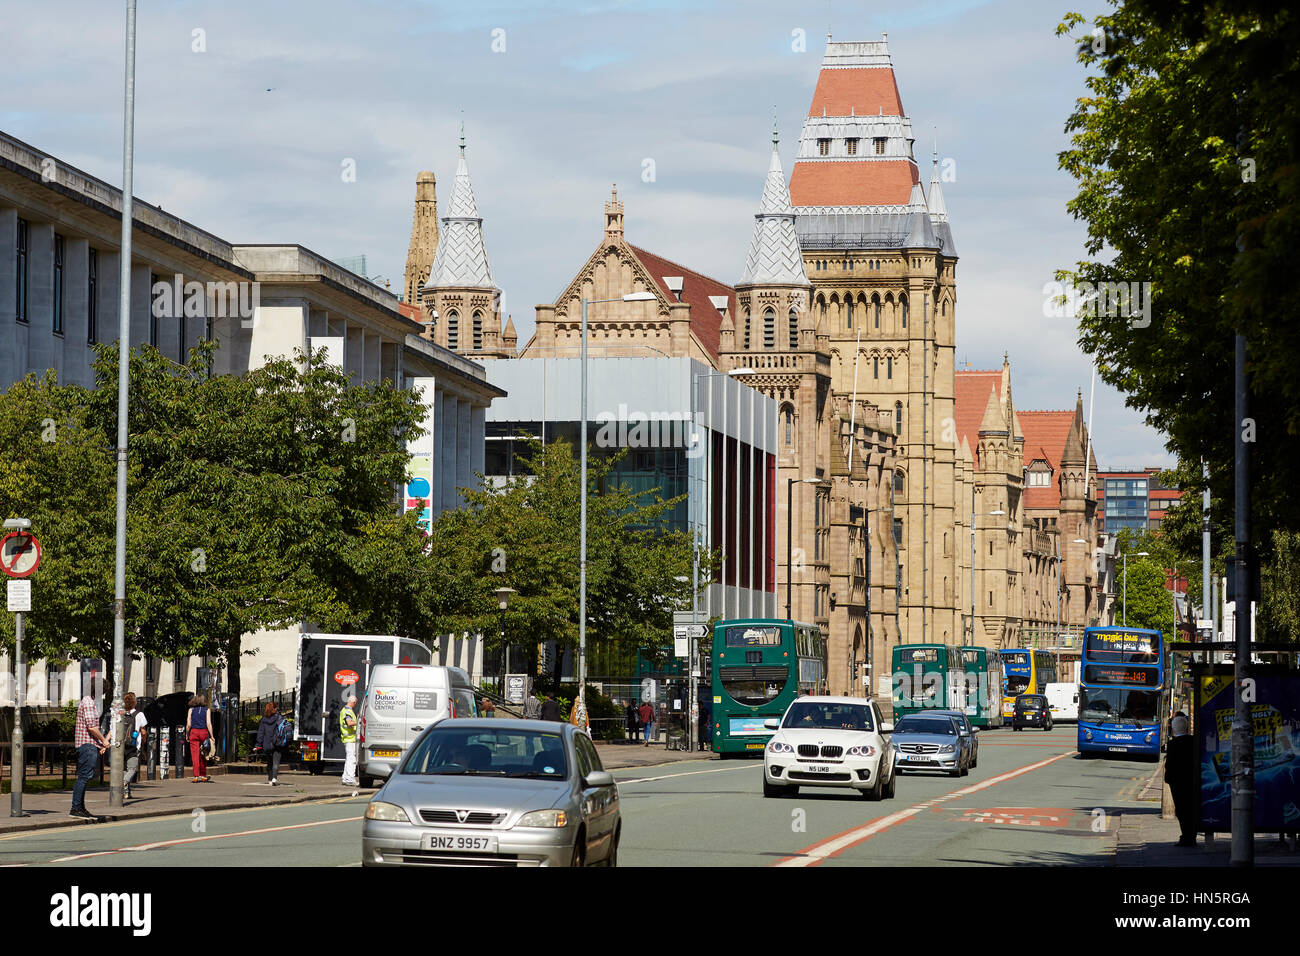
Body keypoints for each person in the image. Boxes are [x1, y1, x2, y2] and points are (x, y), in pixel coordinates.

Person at [70, 690, 109, 819]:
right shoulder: (88, 702)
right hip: (87, 746)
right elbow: (91, 726)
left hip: (89, 745)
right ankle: (76, 808)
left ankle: (80, 808)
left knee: (85, 776)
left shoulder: (89, 701)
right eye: (104, 692)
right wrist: (103, 740)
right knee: (84, 777)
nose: (103, 695)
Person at [1165, 714, 1198, 847]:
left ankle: (1186, 836)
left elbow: (1170, 764)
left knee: (1181, 810)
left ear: (1174, 729)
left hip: (1177, 782)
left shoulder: (1173, 744)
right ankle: (1192, 835)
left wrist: (1168, 778)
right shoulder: (1193, 741)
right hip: (1192, 780)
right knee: (1191, 808)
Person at [119, 692, 148, 800]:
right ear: (134, 702)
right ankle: (124, 782)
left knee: (125, 769)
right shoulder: (139, 714)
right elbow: (143, 731)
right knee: (133, 769)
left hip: (121, 745)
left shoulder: (120, 713)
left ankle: (127, 793)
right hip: (133, 745)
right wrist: (144, 741)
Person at [253, 700, 287, 786]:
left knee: (269, 762)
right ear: (275, 709)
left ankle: (269, 779)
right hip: (277, 743)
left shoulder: (264, 720)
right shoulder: (279, 718)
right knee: (276, 762)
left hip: (267, 744)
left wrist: (258, 744)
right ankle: (274, 778)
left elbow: (261, 733)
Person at [187, 692, 214, 782]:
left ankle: (195, 776)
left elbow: (188, 724)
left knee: (194, 754)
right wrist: (212, 736)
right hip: (203, 732)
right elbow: (209, 723)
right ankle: (203, 775)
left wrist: (187, 734)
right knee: (204, 754)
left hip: (194, 732)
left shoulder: (191, 710)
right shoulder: (207, 710)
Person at [340, 694, 359, 786]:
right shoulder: (348, 711)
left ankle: (345, 777)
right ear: (353, 702)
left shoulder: (345, 710)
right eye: (355, 703)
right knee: (352, 759)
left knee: (349, 758)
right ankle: (350, 778)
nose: (355, 705)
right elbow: (349, 723)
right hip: (350, 739)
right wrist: (359, 722)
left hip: (347, 739)